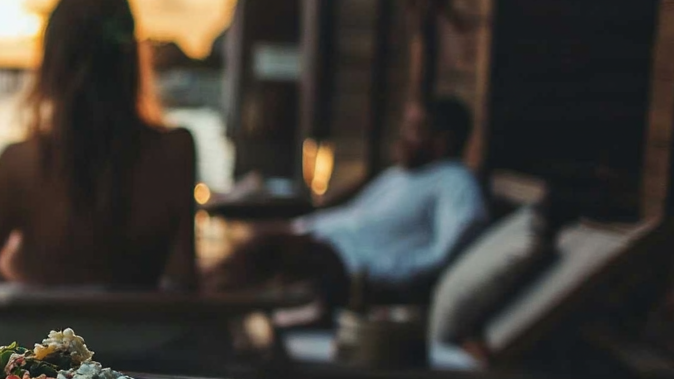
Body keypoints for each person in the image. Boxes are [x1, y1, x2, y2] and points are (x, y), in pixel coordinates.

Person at [0, 0, 197, 304]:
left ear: (52, 61)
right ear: (131, 58)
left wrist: (2, 264)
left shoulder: (19, 162)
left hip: (40, 336)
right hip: (140, 331)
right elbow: (184, 279)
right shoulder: (178, 149)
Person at [208, 96, 488, 305]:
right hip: (322, 247)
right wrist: (298, 226)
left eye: (415, 129)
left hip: (346, 268)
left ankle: (200, 303)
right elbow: (353, 216)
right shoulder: (401, 175)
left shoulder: (455, 183)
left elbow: (444, 255)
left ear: (443, 140)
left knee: (262, 249)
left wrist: (368, 274)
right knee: (252, 242)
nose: (402, 137)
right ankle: (200, 297)